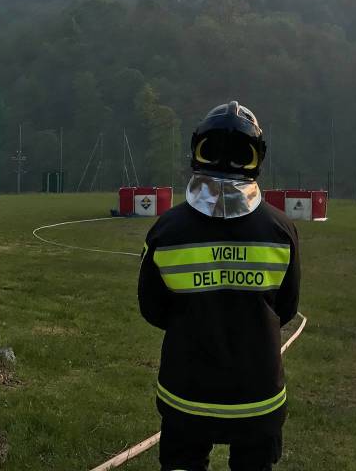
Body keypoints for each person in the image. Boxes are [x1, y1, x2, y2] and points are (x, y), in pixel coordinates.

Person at [138, 100, 301, 471]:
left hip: (185, 394)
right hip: (259, 397)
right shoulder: (280, 230)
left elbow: (152, 309)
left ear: (197, 151)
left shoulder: (167, 230)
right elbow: (287, 308)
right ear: (257, 158)